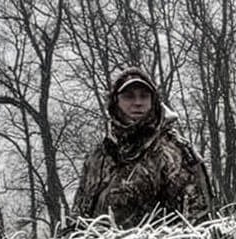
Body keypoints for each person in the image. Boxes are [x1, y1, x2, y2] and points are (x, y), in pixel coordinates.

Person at [70, 66, 212, 228]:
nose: (137, 103)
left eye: (144, 96)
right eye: (129, 96)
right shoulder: (99, 156)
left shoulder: (175, 153)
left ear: (153, 101)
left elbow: (197, 221)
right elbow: (79, 216)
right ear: (115, 102)